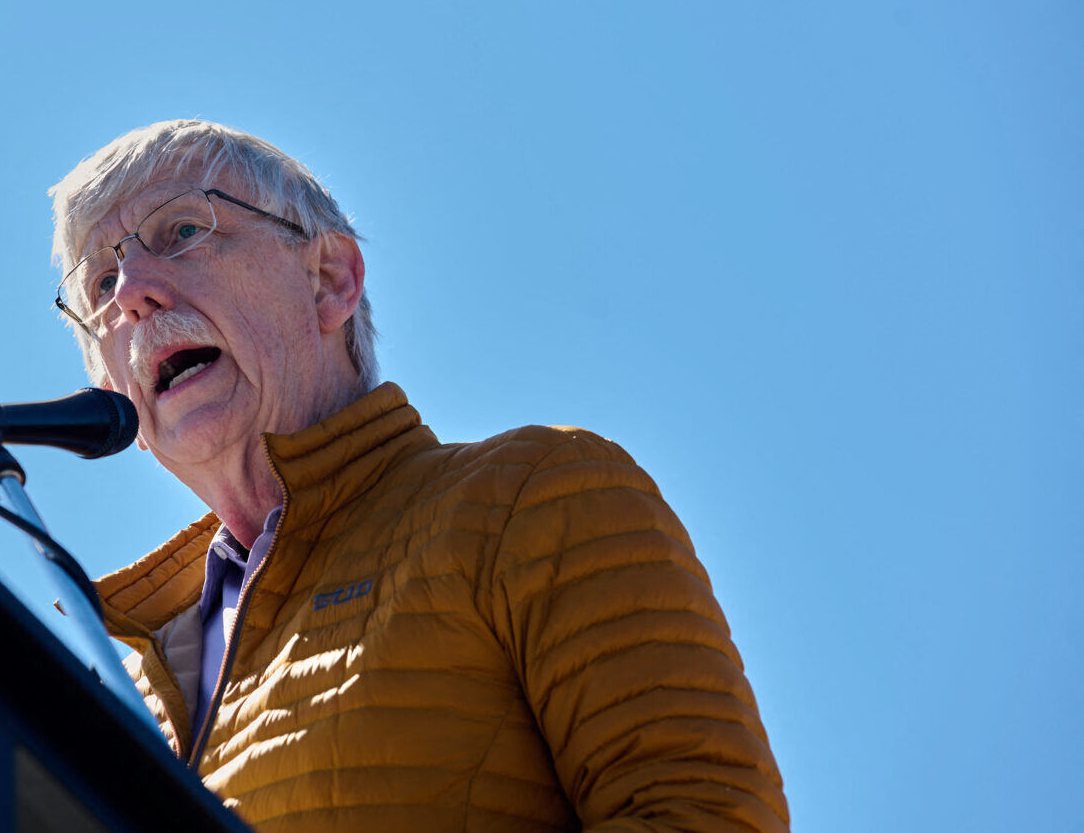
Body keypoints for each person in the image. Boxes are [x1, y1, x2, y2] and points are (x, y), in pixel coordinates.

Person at [48, 119, 788, 832]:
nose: (133, 294)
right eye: (102, 283)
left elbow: (706, 816)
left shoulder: (529, 496)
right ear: (114, 396)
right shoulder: (100, 685)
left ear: (330, 279)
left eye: (182, 232)